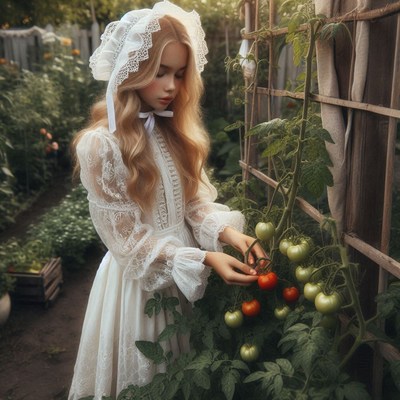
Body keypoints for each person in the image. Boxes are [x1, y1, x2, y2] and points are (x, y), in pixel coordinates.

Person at [68, 1, 266, 399]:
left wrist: (228, 235)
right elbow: (128, 242)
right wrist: (203, 259)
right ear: (132, 70)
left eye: (178, 74)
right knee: (154, 377)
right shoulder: (101, 146)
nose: (172, 86)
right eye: (159, 73)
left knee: (191, 369)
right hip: (142, 284)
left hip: (187, 274)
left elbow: (192, 206)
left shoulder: (172, 131)